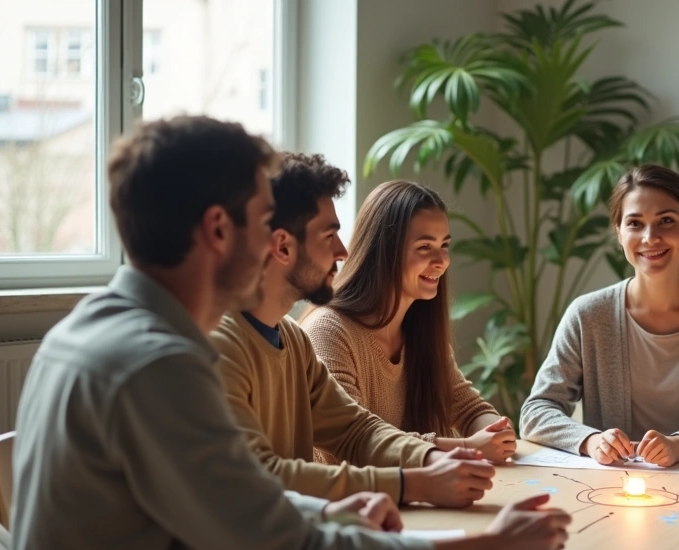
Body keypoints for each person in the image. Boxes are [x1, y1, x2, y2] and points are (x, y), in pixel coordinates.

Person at [10, 116, 569, 550]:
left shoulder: (96, 329)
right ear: (218, 231)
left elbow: (237, 500)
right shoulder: (156, 366)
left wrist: (325, 510)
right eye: (261, 222)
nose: (272, 243)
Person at [211, 155, 498, 508]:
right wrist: (413, 484)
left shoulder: (294, 341)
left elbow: (356, 431)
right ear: (283, 246)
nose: (343, 251)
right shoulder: (219, 345)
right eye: (329, 235)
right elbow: (261, 475)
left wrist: (429, 459)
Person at [522, 164, 679, 466]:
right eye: (635, 223)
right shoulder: (588, 316)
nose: (650, 237)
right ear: (618, 233)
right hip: (609, 488)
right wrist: (591, 441)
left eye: (666, 221)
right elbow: (536, 412)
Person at [300, 178, 516, 466]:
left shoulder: (419, 329)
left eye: (444, 245)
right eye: (425, 247)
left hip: (413, 498)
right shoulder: (328, 330)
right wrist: (467, 447)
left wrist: (494, 430)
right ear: (383, 250)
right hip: (346, 506)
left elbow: (466, 406)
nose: (441, 261)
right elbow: (351, 443)